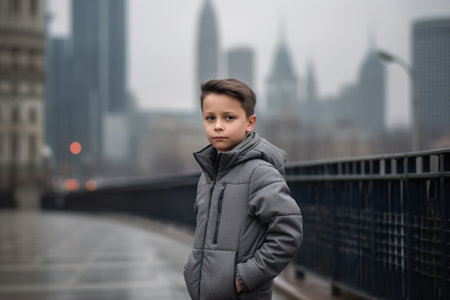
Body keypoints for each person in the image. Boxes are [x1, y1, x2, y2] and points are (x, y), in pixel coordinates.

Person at [183, 78, 303, 300]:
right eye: (210, 118)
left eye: (229, 117)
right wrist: (193, 270)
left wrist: (243, 279)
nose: (218, 125)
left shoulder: (260, 173)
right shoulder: (207, 176)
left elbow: (288, 233)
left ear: (250, 123)